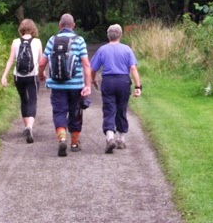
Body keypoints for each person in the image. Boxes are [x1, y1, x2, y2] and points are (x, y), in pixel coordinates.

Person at [38, 13, 92, 157]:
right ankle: (74, 143)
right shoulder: (79, 40)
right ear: (73, 25)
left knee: (59, 112)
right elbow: (86, 64)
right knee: (75, 113)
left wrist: (41, 75)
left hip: (57, 85)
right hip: (76, 86)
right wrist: (87, 85)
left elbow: (42, 63)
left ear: (60, 26)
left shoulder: (52, 40)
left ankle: (62, 139)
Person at [90, 24, 142, 153]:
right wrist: (137, 86)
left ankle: (110, 137)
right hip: (123, 81)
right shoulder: (127, 49)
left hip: (108, 81)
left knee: (109, 109)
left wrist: (93, 79)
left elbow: (93, 68)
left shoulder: (102, 50)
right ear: (120, 35)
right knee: (121, 109)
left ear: (108, 36)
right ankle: (121, 139)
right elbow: (133, 68)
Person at [1, 19, 43, 144]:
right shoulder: (37, 42)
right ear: (33, 29)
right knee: (32, 100)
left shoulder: (15, 42)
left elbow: (10, 60)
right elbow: (41, 61)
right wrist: (42, 73)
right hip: (32, 75)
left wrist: (4, 76)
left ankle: (26, 127)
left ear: (21, 29)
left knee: (24, 99)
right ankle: (29, 126)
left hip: (18, 76)